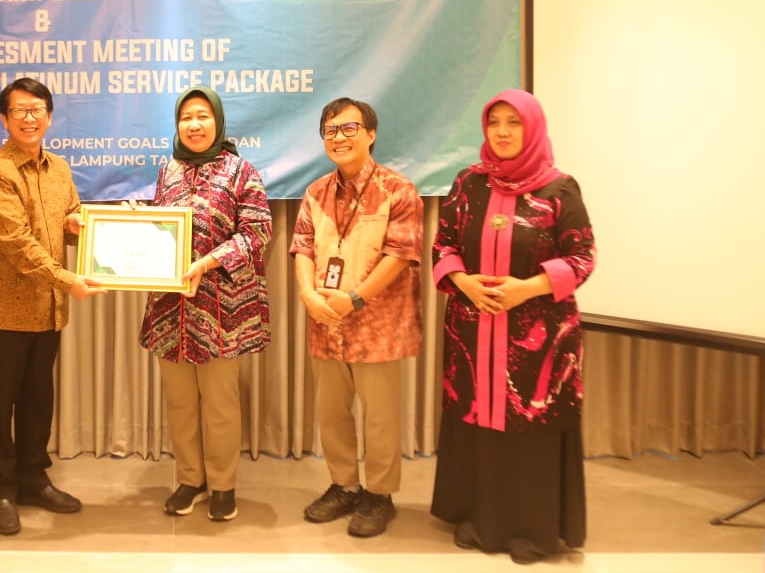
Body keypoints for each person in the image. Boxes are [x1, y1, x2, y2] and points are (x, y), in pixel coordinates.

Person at [429, 89, 595, 565]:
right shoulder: (469, 183)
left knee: (528, 427)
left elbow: (583, 257)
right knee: (478, 423)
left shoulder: (559, 189)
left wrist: (529, 288)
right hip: (473, 331)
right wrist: (464, 282)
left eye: (513, 123)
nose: (502, 132)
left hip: (539, 340)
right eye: (494, 122)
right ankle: (479, 518)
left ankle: (530, 530)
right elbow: (443, 245)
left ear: (533, 128)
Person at [0, 77, 104, 536]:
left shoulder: (59, 168)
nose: (29, 118)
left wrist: (81, 226)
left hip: (47, 308)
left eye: (37, 110)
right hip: (6, 309)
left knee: (37, 401)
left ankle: (32, 479)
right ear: (5, 118)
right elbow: (16, 242)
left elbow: (69, 220)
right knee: (0, 403)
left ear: (49, 116)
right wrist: (68, 280)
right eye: (20, 110)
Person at [290, 97, 423, 538]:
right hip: (326, 321)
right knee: (331, 412)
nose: (339, 138)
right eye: (330, 131)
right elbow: (302, 247)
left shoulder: (397, 190)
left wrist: (356, 299)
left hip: (377, 325)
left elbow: (400, 254)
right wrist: (308, 294)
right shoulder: (315, 192)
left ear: (371, 134)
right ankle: (344, 485)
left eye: (349, 128)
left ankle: (380, 495)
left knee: (380, 417)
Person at [139, 87, 272, 523]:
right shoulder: (168, 172)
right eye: (185, 117)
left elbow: (257, 232)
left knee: (219, 404)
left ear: (217, 120)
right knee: (179, 402)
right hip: (171, 311)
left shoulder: (241, 171)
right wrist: (135, 224)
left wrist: (208, 262)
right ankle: (190, 479)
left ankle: (222, 485)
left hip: (221, 310)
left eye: (202, 115)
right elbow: (161, 231)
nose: (194, 125)